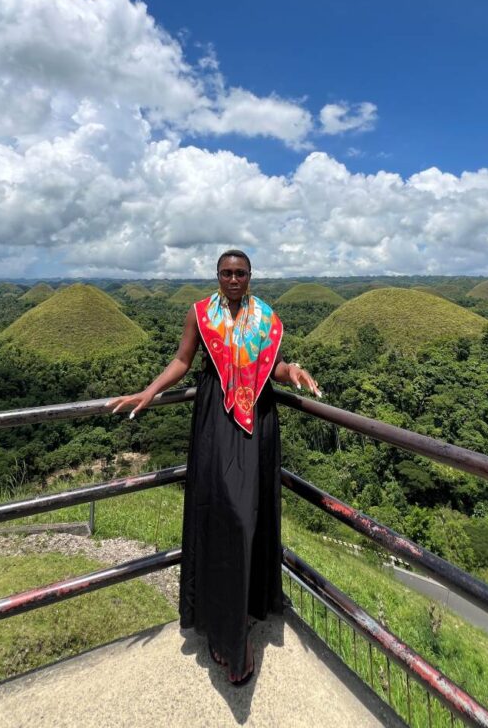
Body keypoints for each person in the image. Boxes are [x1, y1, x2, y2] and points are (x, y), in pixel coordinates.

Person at [103, 250, 321, 685]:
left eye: (240, 273)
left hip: (258, 418)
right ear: (217, 276)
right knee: (224, 516)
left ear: (250, 275)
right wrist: (149, 391)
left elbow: (271, 366)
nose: (233, 279)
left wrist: (292, 370)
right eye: (226, 273)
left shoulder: (265, 317)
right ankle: (223, 627)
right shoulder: (200, 313)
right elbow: (183, 360)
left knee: (251, 518)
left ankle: (242, 617)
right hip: (215, 419)